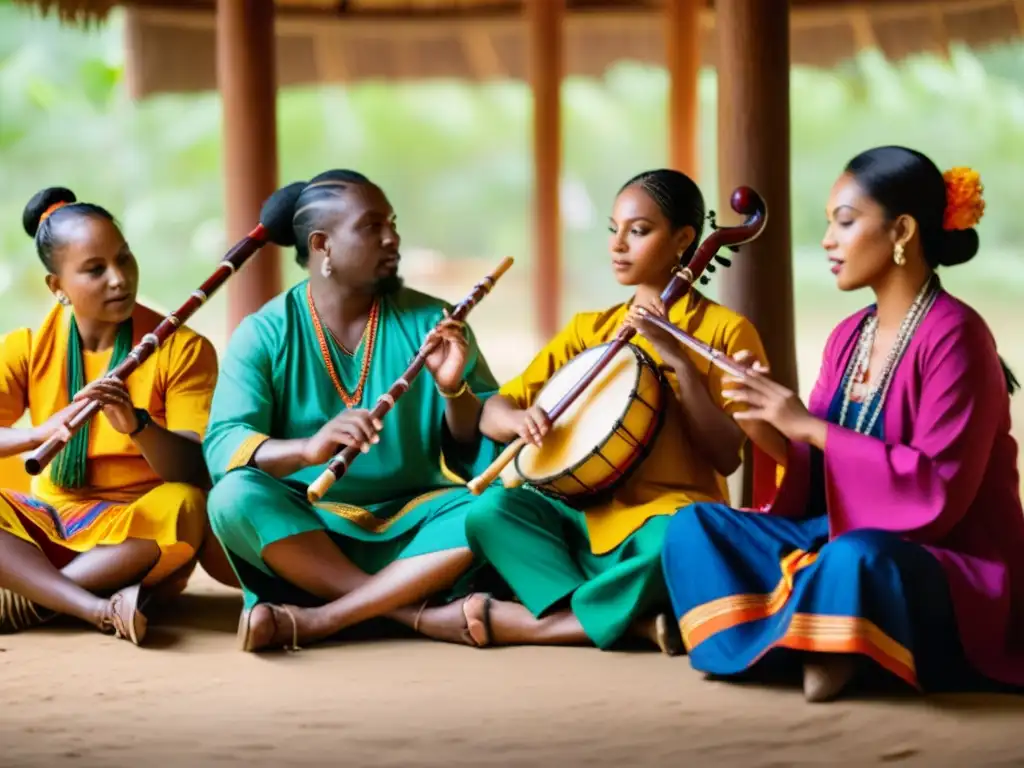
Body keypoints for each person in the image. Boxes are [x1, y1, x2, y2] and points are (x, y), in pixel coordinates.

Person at [661, 146, 1024, 702]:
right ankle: (824, 639)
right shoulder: (848, 336)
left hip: (942, 559)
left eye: (845, 222)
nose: (828, 240)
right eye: (830, 224)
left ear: (902, 230)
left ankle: (811, 638)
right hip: (837, 537)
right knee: (695, 527)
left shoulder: (958, 336)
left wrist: (804, 425)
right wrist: (758, 414)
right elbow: (813, 470)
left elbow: (937, 490)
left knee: (855, 558)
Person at [460, 169, 776, 651]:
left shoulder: (725, 333)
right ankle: (627, 620)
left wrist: (678, 360)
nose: (618, 245)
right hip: (583, 515)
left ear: (684, 240)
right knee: (489, 512)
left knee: (683, 542)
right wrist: (518, 420)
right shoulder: (591, 329)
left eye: (639, 231)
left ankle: (543, 622)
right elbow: (493, 409)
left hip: (665, 520)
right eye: (615, 230)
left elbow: (728, 457)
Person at [203, 170, 507, 653]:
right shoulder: (263, 333)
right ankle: (412, 615)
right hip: (308, 533)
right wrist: (308, 449)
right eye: (372, 227)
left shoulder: (434, 322)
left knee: (497, 506)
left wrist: (454, 392)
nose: (393, 238)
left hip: (417, 528)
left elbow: (475, 445)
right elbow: (223, 445)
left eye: (392, 223)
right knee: (232, 498)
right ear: (322, 245)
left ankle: (325, 617)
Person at [0, 187, 220, 644]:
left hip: (135, 534)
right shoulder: (27, 347)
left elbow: (197, 467)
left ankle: (36, 598)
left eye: (124, 259)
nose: (119, 279)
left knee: (187, 505)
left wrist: (138, 426)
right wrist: (36, 434)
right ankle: (94, 605)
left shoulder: (183, 349)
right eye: (95, 270)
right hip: (53, 521)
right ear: (57, 286)